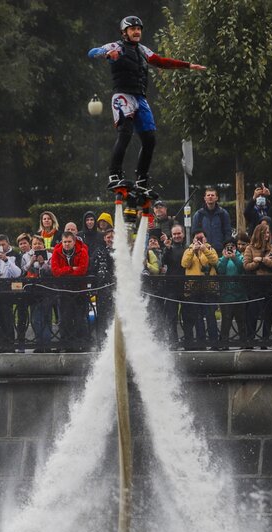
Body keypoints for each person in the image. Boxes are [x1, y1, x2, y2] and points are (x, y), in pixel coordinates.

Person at [88, 15, 205, 190]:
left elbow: (162, 62)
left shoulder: (143, 50)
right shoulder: (115, 46)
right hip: (123, 95)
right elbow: (92, 52)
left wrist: (187, 65)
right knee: (125, 133)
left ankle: (142, 178)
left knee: (150, 139)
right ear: (124, 32)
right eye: (132, 29)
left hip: (140, 98)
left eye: (138, 29)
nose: (136, 32)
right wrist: (106, 54)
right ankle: (114, 173)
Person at [50, 231, 90, 351]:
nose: (66, 244)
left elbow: (82, 270)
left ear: (74, 241)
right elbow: (55, 271)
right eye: (64, 242)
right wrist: (71, 269)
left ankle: (81, 343)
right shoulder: (57, 252)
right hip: (63, 290)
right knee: (65, 318)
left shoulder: (82, 251)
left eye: (69, 242)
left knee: (80, 318)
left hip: (80, 290)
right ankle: (66, 344)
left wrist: (64, 271)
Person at [180, 230, 219, 349]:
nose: (200, 240)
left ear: (206, 238)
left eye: (202, 238)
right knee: (198, 317)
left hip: (208, 288)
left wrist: (204, 249)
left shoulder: (210, 249)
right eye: (197, 238)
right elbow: (184, 264)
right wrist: (193, 250)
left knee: (210, 316)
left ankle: (214, 343)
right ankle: (201, 343)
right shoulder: (188, 250)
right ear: (193, 240)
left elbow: (214, 261)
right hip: (194, 289)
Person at [243, 223, 272, 346]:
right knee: (253, 312)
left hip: (269, 284)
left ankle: (265, 339)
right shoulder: (250, 248)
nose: (268, 235)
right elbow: (246, 265)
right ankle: (250, 339)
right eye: (266, 232)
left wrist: (263, 260)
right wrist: (256, 262)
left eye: (269, 232)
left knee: (268, 312)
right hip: (255, 284)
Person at [22, 235, 54, 352]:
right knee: (35, 318)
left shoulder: (50, 255)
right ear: (31, 245)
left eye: (39, 243)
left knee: (47, 317)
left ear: (43, 244)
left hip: (46, 289)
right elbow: (23, 270)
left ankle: (47, 344)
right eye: (35, 244)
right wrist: (31, 261)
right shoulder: (26, 256)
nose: (37, 246)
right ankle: (39, 344)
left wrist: (42, 263)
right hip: (32, 290)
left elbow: (51, 270)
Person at [215, 240, 245, 349]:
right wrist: (225, 258)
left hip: (240, 295)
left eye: (232, 246)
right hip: (226, 295)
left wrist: (234, 258)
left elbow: (242, 269)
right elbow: (220, 271)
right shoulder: (221, 259)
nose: (230, 248)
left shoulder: (241, 257)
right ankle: (224, 343)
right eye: (227, 246)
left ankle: (243, 343)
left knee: (241, 320)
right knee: (226, 321)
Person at [161, 224, 187, 346]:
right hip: (171, 287)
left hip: (186, 286)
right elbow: (163, 262)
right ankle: (173, 342)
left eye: (179, 233)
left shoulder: (188, 249)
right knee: (171, 317)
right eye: (174, 234)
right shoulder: (169, 249)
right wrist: (167, 248)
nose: (177, 236)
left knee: (188, 316)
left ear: (183, 234)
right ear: (171, 235)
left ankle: (189, 341)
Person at [90, 229, 116, 337]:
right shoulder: (99, 251)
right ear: (104, 238)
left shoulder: (121, 251)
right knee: (103, 315)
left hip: (118, 289)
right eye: (108, 237)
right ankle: (102, 338)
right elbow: (93, 268)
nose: (110, 239)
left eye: (112, 237)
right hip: (102, 289)